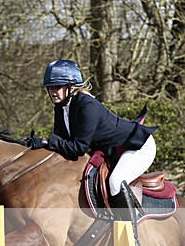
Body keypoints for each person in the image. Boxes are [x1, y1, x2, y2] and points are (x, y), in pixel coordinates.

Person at [25, 59, 157, 214]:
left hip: (137, 146)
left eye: (58, 86)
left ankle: (131, 231)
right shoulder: (60, 108)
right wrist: (43, 145)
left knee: (115, 182)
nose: (53, 91)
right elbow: (62, 143)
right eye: (50, 87)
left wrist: (48, 141)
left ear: (72, 86)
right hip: (114, 150)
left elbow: (78, 148)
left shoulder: (87, 105)